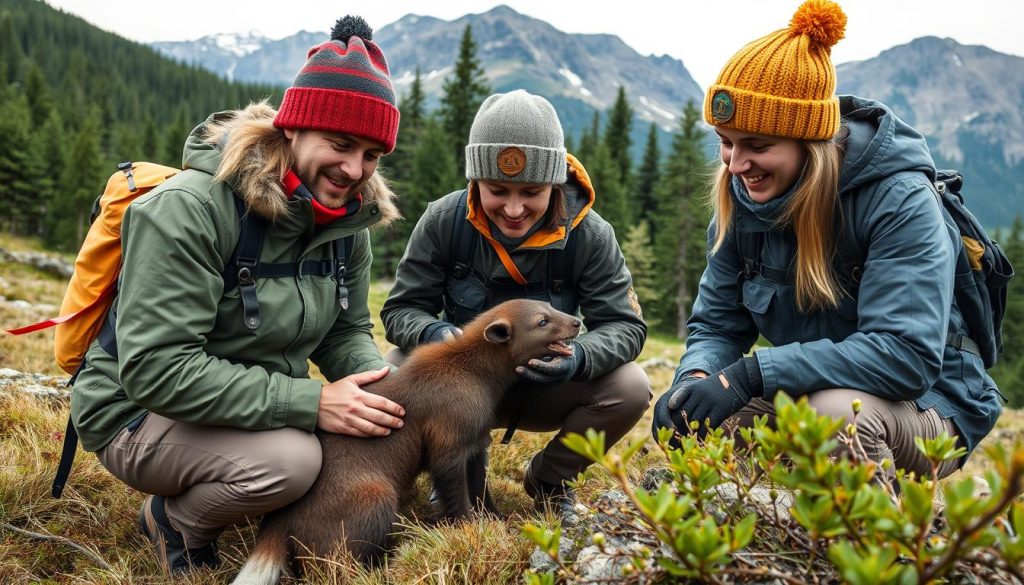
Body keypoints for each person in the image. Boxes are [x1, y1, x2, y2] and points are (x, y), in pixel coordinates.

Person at [69, 16, 405, 575]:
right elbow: (155, 368)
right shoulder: (192, 210)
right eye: (341, 144)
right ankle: (173, 522)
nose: (355, 170)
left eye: (372, 155)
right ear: (293, 129)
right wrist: (312, 404)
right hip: (134, 410)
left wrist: (382, 395)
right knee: (293, 464)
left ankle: (235, 475)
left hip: (242, 402)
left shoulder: (346, 223)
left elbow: (345, 331)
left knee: (371, 405)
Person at [652, 0, 1002, 480]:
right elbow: (717, 325)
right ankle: (768, 539)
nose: (735, 165)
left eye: (757, 146)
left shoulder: (898, 201)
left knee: (838, 416)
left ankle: (880, 548)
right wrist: (693, 381)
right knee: (703, 425)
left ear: (809, 144)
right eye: (726, 141)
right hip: (809, 390)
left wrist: (752, 375)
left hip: (928, 406)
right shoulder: (741, 200)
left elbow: (905, 357)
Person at [381, 90, 651, 514]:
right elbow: (400, 311)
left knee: (630, 386)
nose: (513, 208)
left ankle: (549, 480)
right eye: (497, 189)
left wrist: (577, 358)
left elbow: (626, 327)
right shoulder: (442, 221)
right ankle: (441, 478)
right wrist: (436, 333)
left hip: (547, 386)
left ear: (555, 183)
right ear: (475, 181)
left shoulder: (591, 235)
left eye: (531, 191)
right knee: (396, 367)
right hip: (462, 387)